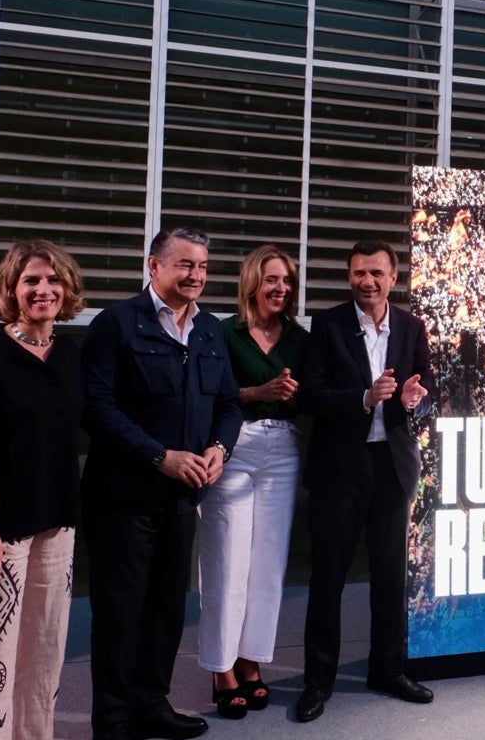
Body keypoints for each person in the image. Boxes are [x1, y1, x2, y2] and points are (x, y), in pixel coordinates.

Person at [81, 226, 242, 740]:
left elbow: (230, 405)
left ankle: (152, 704)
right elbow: (97, 409)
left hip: (181, 498)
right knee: (120, 612)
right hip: (123, 498)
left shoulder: (211, 330)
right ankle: (112, 721)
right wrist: (159, 457)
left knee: (168, 610)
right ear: (154, 266)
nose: (195, 275)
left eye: (201, 266)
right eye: (184, 265)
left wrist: (219, 448)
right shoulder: (115, 324)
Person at [0, 239, 85, 739]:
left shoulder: (71, 357)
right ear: (11, 288)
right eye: (31, 280)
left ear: (66, 288)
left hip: (56, 524)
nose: (43, 289)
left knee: (44, 657)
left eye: (52, 280)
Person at [295, 239, 435, 722]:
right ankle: (318, 682)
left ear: (393, 278)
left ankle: (388, 669)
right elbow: (309, 396)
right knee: (328, 579)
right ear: (349, 276)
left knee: (391, 576)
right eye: (359, 273)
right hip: (339, 467)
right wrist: (363, 398)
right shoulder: (327, 325)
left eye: (376, 273)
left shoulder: (412, 326)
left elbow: (424, 382)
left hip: (391, 467)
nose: (367, 281)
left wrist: (415, 397)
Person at [198, 245, 308, 719]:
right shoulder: (222, 333)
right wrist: (255, 393)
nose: (280, 288)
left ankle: (250, 662)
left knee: (268, 564)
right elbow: (207, 394)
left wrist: (297, 397)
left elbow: (313, 400)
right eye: (271, 280)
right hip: (234, 446)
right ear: (252, 283)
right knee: (228, 561)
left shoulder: (300, 339)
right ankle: (220, 669)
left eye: (286, 280)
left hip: (284, 449)